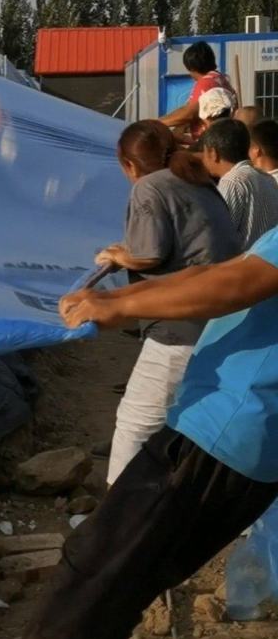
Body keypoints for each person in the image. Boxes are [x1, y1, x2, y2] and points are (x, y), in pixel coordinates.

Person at [15, 238, 278, 639]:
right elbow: (212, 273)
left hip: (221, 432)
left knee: (91, 583)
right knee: (117, 580)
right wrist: (115, 297)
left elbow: (236, 282)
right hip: (231, 432)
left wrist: (119, 306)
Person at [94, 121, 240, 484]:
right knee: (193, 420)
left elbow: (149, 254)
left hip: (181, 325)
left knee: (135, 423)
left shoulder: (148, 187)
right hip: (222, 322)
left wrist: (119, 255)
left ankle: (116, 521)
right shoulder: (200, 181)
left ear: (129, 165)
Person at [200, 119, 278, 248]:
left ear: (213, 153)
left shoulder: (231, 181)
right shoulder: (266, 178)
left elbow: (219, 235)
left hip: (243, 263)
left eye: (204, 152)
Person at [160, 41, 237, 142]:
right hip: (223, 137)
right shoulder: (220, 79)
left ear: (191, 68)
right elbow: (188, 109)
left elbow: (189, 114)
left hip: (210, 141)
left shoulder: (205, 83)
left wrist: (157, 123)